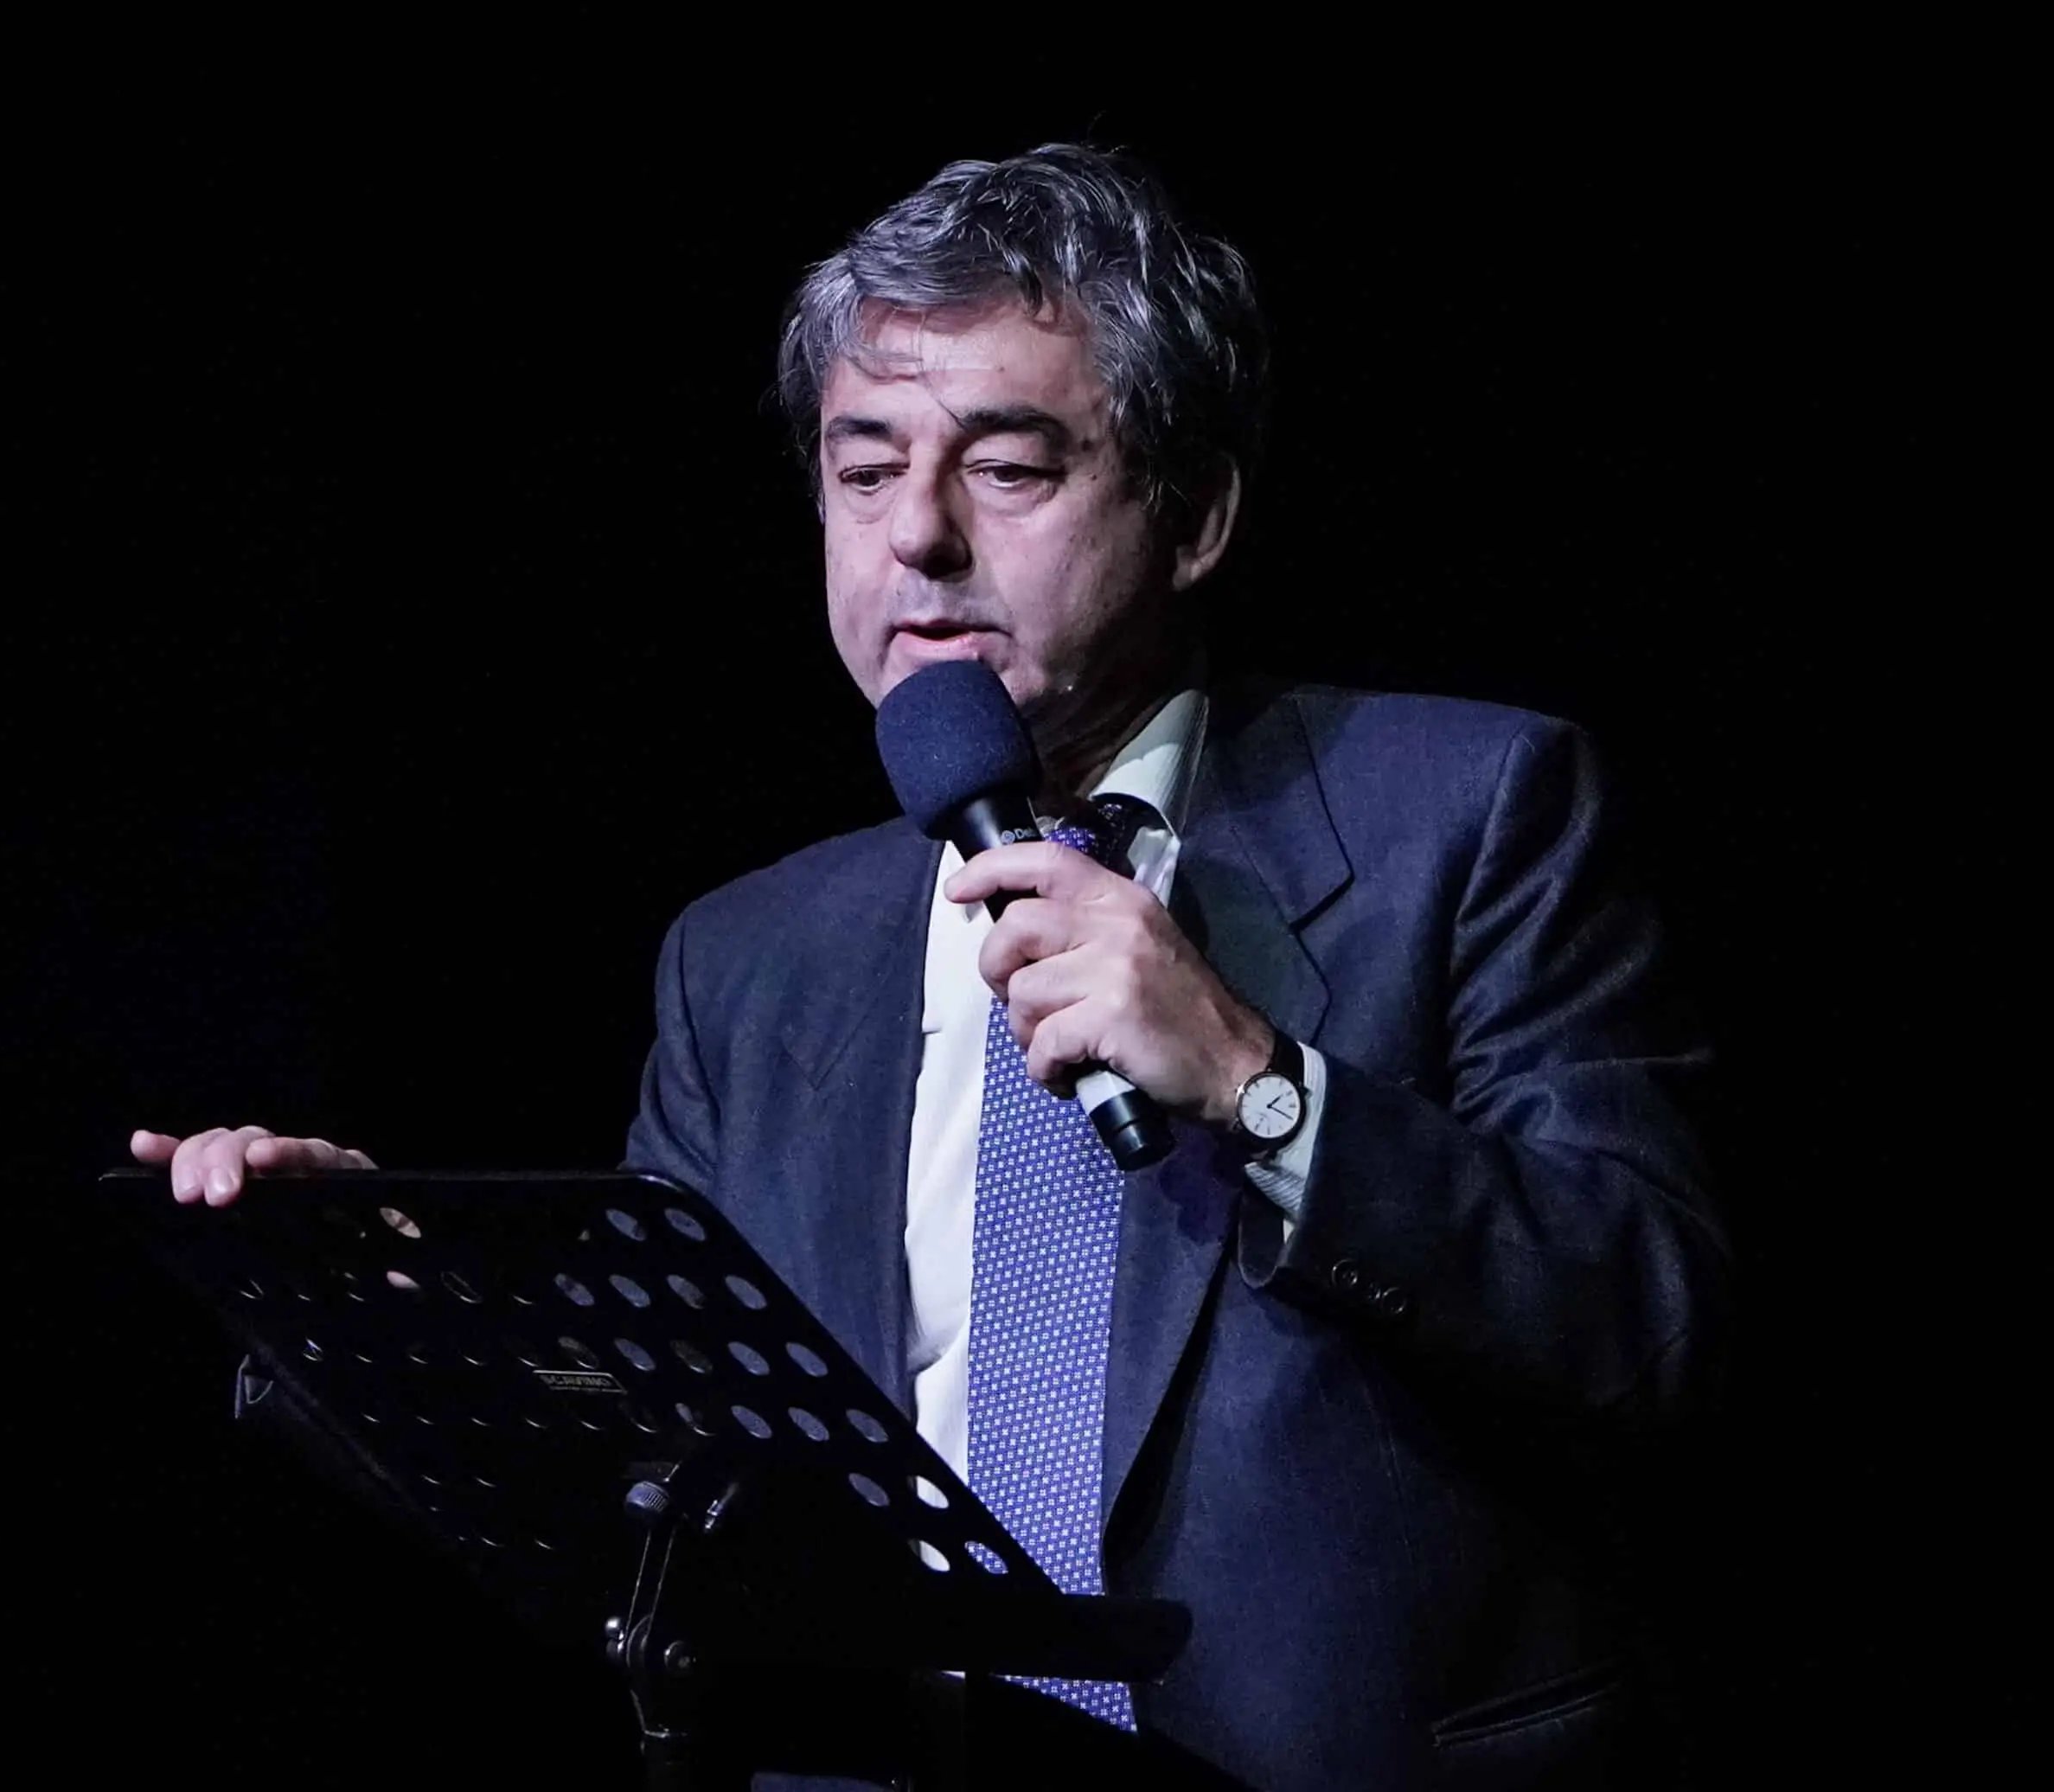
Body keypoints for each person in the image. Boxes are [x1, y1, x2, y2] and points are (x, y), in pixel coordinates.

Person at [135, 145, 1727, 1789]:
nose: (920, 538)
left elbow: (1653, 1331)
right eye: (864, 469)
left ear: (1194, 514)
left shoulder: (1473, 813)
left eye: (1010, 468)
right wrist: (398, 1315)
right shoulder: (748, 960)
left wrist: (1264, 1089)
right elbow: (668, 1475)